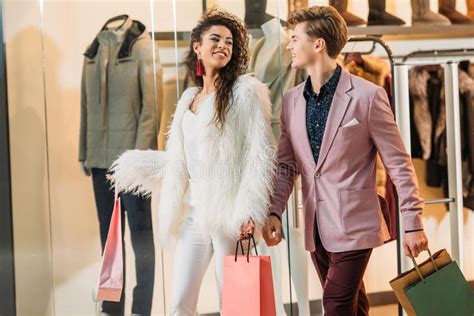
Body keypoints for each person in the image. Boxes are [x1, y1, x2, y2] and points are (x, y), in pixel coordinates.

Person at [262, 6, 429, 316]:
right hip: (316, 226)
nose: (289, 45)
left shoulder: (368, 96)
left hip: (355, 222)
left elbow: (398, 163)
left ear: (318, 44)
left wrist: (413, 223)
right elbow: (286, 164)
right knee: (353, 306)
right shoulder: (291, 101)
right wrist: (273, 209)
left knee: (335, 305)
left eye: (295, 37)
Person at [109, 8, 275, 316]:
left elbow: (260, 156)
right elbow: (179, 163)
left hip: (229, 217)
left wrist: (248, 211)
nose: (223, 46)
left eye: (229, 42)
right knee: (179, 304)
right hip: (193, 215)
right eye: (215, 39)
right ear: (197, 46)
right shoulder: (189, 99)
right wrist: (131, 167)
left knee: (238, 306)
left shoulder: (246, 93)